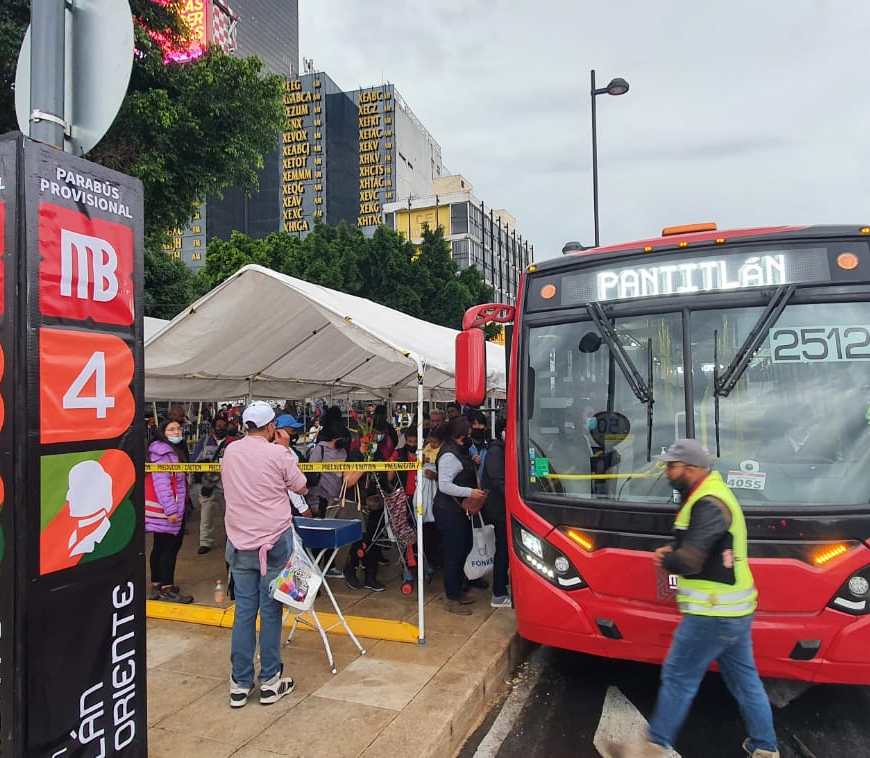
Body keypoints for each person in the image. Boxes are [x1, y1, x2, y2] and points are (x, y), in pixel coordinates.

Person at [617, 439, 778, 758]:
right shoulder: (707, 495)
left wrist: (667, 559)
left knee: (679, 675)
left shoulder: (709, 502)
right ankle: (765, 747)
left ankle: (655, 746)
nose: (667, 471)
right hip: (734, 609)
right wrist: (674, 551)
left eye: (672, 466)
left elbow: (691, 559)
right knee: (745, 681)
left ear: (690, 469)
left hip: (713, 612)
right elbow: (705, 548)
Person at [221, 401, 308, 708]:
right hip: (273, 540)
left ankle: (240, 684)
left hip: (240, 541)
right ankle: (270, 681)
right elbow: (301, 485)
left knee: (244, 612)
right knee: (271, 610)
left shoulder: (230, 451)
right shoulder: (278, 453)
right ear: (272, 427)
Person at [434, 416, 488, 615]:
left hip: (458, 510)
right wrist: (470, 492)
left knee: (464, 546)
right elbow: (444, 485)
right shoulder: (449, 455)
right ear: (460, 435)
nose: (472, 435)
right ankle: (451, 596)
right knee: (454, 553)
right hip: (448, 510)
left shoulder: (459, 450)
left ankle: (458, 588)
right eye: (470, 431)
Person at [145, 419, 193, 603]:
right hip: (167, 510)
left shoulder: (168, 450)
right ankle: (167, 588)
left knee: (159, 547)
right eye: (171, 429)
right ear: (162, 432)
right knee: (169, 548)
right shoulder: (162, 452)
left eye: (178, 428)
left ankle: (156, 585)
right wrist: (171, 511)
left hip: (165, 509)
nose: (176, 432)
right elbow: (162, 484)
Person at [192, 416, 232, 555]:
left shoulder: (232, 443)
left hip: (227, 485)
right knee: (206, 515)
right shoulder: (203, 442)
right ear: (213, 427)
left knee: (230, 514)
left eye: (223, 426)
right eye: (218, 426)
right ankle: (205, 542)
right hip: (207, 484)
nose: (220, 429)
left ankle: (231, 539)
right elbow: (194, 462)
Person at [481, 417, 510, 608]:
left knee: (505, 550)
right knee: (503, 551)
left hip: (503, 507)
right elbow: (499, 481)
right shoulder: (495, 452)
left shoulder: (503, 449)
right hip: (499, 509)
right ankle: (498, 594)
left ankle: (504, 586)